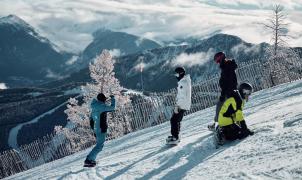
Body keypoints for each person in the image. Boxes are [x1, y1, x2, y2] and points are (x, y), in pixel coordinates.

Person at [84, 93, 116, 167]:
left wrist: (94, 130)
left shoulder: (94, 107)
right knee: (99, 146)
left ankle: (92, 160)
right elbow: (112, 108)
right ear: (103, 99)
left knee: (99, 146)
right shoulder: (102, 107)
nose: (105, 100)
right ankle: (88, 160)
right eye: (104, 99)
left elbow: (91, 120)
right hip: (101, 129)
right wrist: (113, 99)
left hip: (96, 129)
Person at [208, 52, 238, 130]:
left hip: (229, 91)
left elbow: (227, 82)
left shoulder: (227, 66)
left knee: (221, 106)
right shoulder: (227, 65)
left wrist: (223, 94)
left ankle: (218, 124)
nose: (217, 63)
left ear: (220, 59)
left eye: (217, 61)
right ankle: (219, 123)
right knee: (226, 106)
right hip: (230, 90)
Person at [166, 67, 192, 145]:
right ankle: (176, 135)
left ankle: (175, 137)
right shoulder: (184, 81)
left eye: (177, 74)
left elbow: (182, 96)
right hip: (183, 104)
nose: (176, 76)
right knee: (177, 120)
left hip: (182, 105)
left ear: (180, 74)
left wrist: (178, 106)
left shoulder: (183, 83)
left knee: (173, 120)